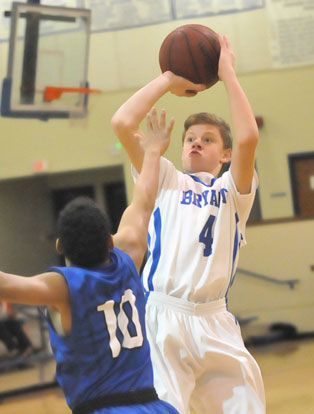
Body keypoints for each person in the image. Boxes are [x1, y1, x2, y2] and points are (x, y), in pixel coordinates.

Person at [111, 33, 266, 414]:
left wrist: (227, 73)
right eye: (190, 139)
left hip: (216, 321)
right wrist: (168, 78)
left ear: (225, 154)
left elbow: (248, 138)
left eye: (208, 140)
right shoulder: (162, 176)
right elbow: (122, 122)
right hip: (163, 315)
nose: (196, 144)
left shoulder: (233, 191)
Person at [0, 111, 180, 414]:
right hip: (155, 407)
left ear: (60, 247)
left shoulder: (63, 287)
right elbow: (145, 200)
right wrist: (151, 151)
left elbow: (4, 284)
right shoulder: (129, 257)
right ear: (110, 240)